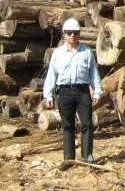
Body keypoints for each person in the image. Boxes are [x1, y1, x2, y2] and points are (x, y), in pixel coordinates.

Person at [43, 18, 103, 171]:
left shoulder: (87, 52)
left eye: (75, 33)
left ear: (79, 34)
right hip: (64, 92)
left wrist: (97, 91)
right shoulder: (58, 54)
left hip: (82, 91)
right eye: (69, 33)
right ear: (64, 34)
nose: (72, 36)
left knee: (87, 124)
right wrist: (48, 95)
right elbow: (51, 75)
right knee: (68, 125)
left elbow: (94, 74)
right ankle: (68, 158)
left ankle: (87, 155)